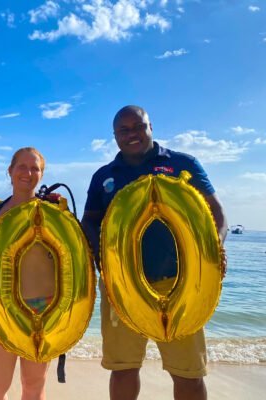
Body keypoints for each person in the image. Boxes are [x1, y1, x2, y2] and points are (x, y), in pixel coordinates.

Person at [82, 105, 228, 400]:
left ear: (150, 127)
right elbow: (89, 222)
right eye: (123, 130)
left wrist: (215, 248)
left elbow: (216, 212)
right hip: (120, 285)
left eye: (138, 126)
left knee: (188, 371)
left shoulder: (182, 164)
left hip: (181, 283)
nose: (132, 134)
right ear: (114, 136)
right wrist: (103, 261)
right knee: (123, 368)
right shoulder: (104, 176)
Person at [0, 147, 54, 400]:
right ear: (9, 172)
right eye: (22, 166)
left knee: (34, 385)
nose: (28, 172)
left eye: (35, 168)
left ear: (41, 175)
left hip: (41, 309)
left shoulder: (54, 213)